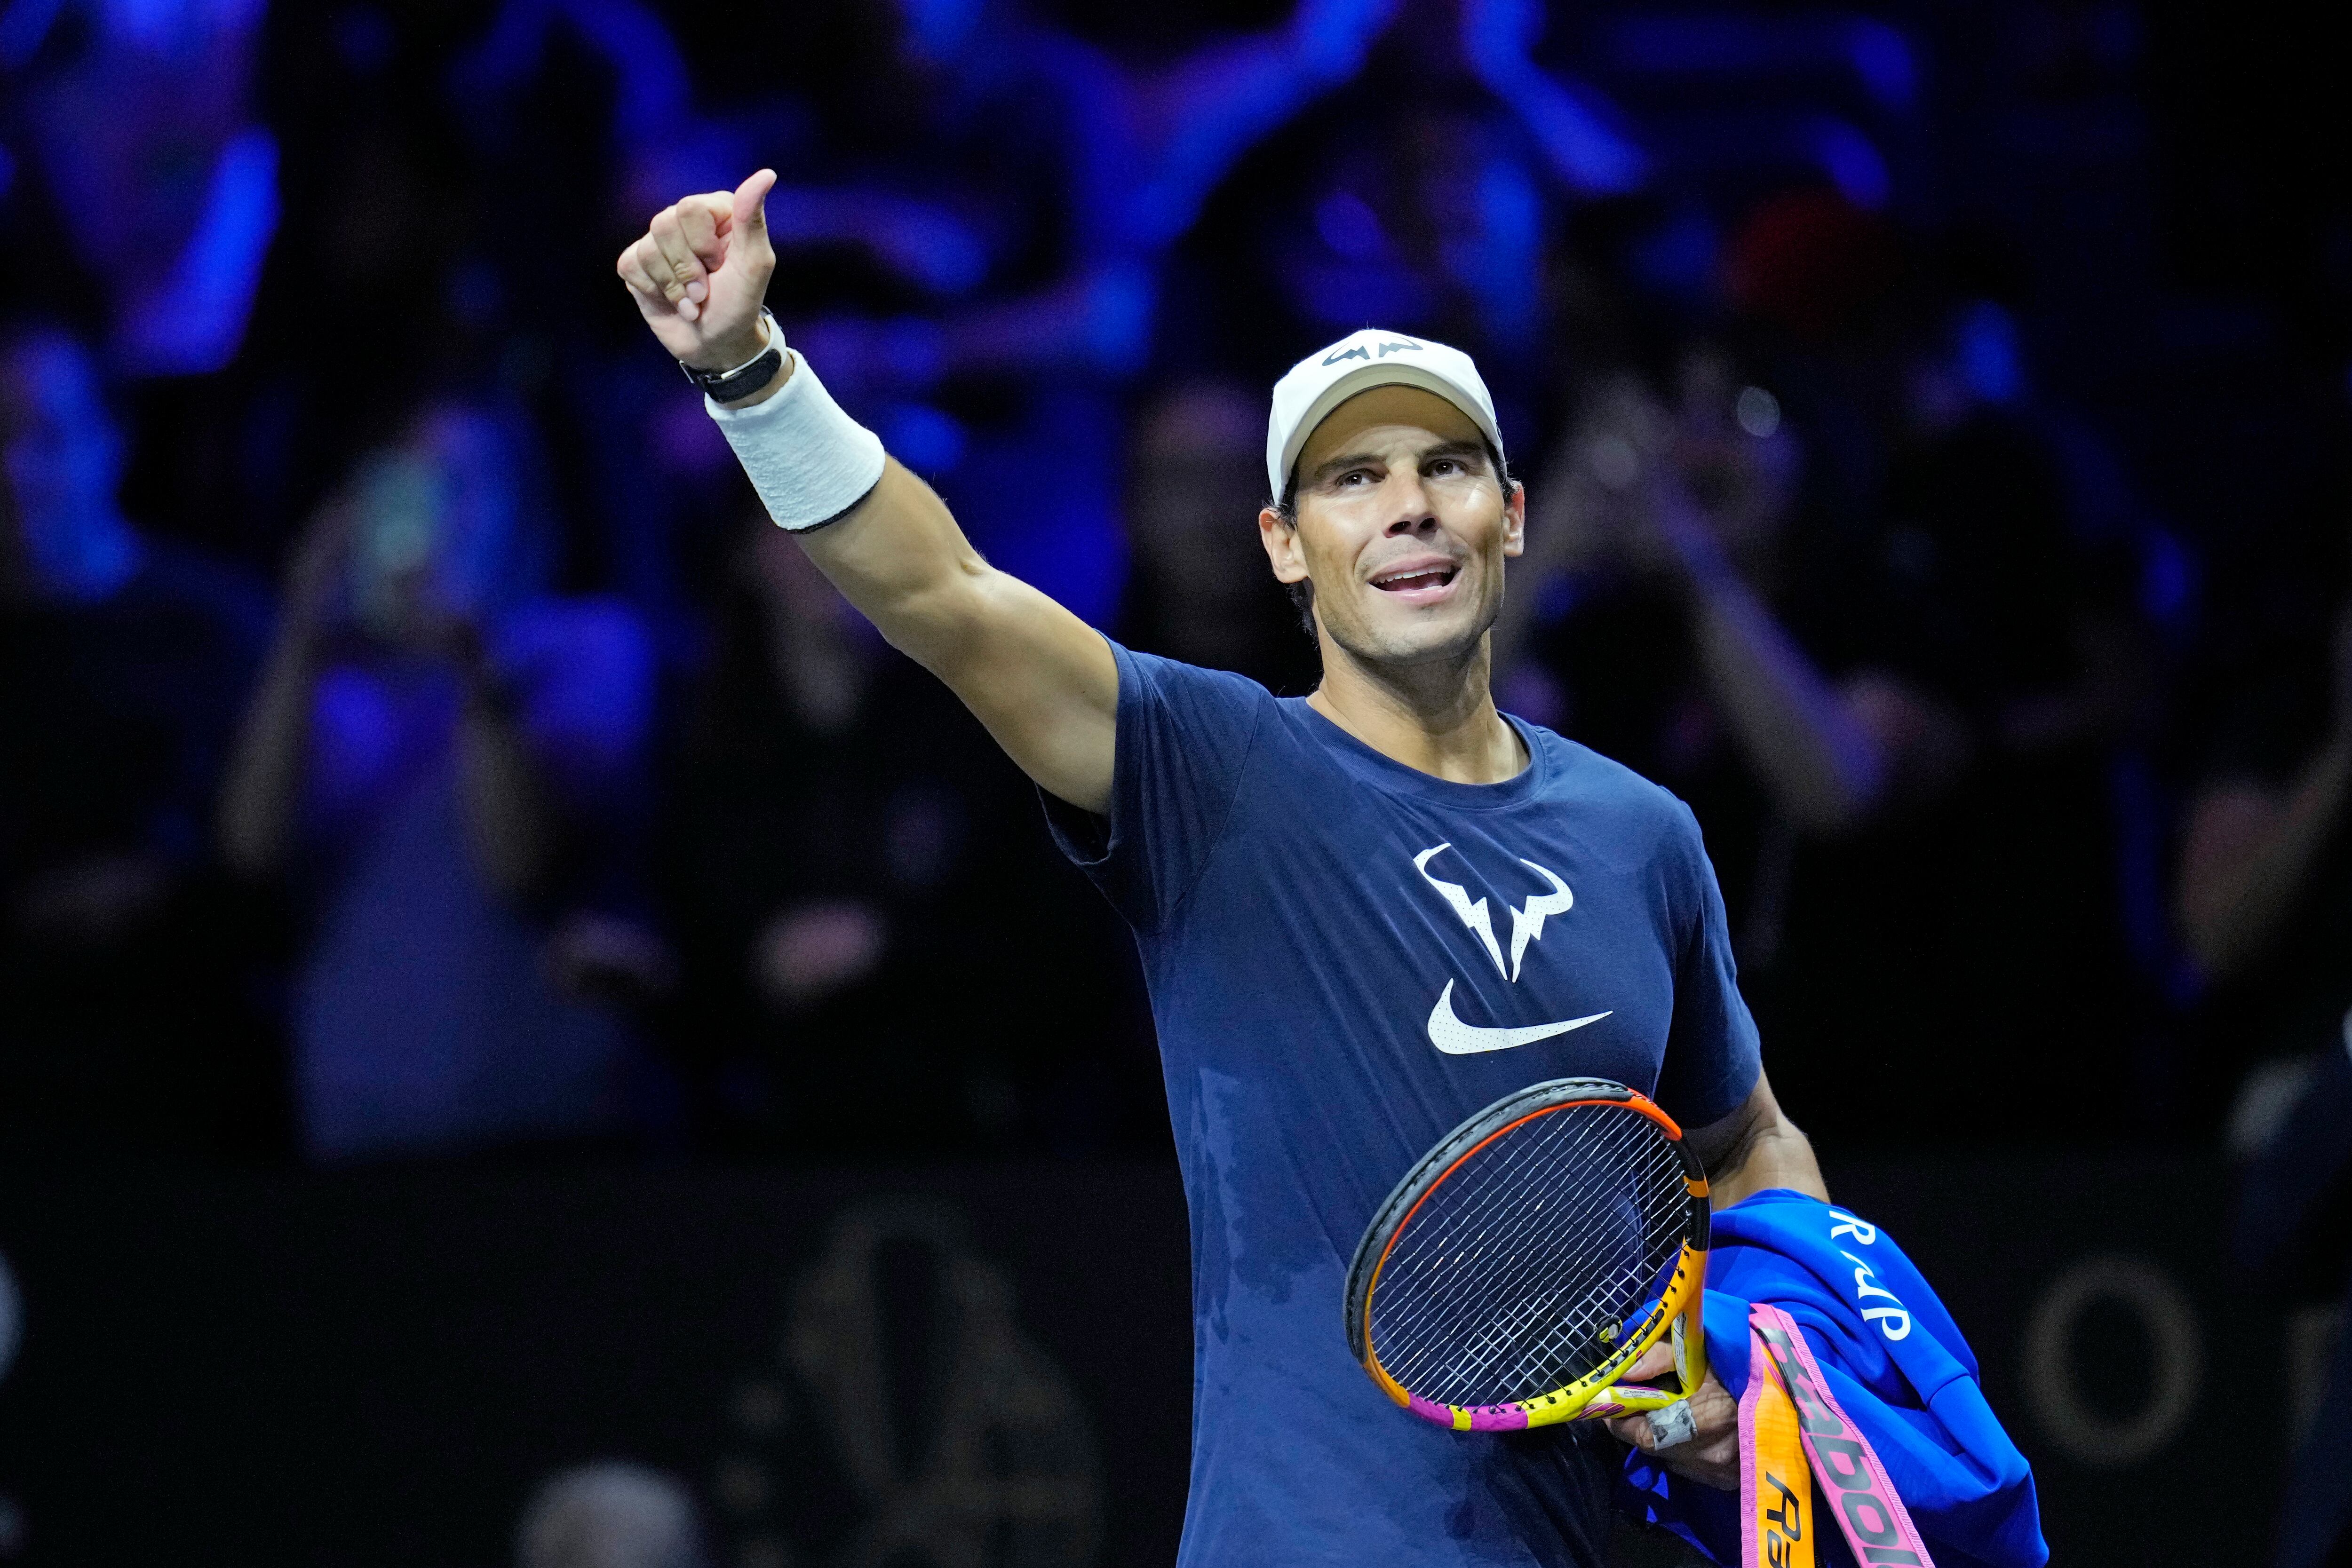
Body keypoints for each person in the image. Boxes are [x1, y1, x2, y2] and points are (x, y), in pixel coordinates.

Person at [619, 169, 1838, 1564]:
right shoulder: (1212, 769)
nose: (1408, 507)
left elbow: (1747, 1136)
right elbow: (943, 594)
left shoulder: (1643, 833)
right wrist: (750, 371)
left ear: (1509, 511)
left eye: (1444, 468)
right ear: (1284, 546)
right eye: (1350, 479)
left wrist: (1757, 1352)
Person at [218, 397, 667, 1162]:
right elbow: (247, 852)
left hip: (553, 1121)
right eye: (409, 489)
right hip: (358, 1122)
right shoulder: (328, 690)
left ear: (519, 505)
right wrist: (299, 630)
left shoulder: (583, 648)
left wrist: (469, 662)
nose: (440, 518)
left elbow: (520, 862)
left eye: (463, 485)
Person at [0, 324, 277, 1157]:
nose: (16, 474)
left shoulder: (219, 629)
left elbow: (270, 853)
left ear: (108, 443)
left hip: (201, 1091)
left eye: (43, 436)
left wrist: (159, 892)